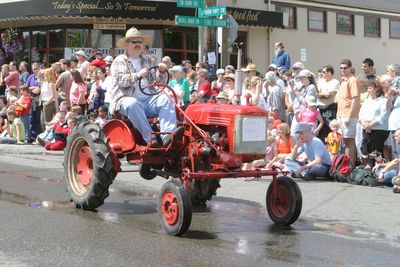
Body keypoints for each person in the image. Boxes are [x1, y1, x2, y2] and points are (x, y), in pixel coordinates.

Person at [109, 27, 174, 146]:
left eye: (140, 42)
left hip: (148, 99)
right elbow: (119, 80)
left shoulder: (147, 60)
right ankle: (150, 138)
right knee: (133, 103)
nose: (138, 44)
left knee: (166, 98)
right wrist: (137, 75)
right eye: (134, 42)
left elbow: (158, 82)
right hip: (124, 99)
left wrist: (162, 71)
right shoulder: (119, 61)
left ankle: (168, 135)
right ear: (127, 44)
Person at [358, 80, 389, 165]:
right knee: (366, 150)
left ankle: (380, 167)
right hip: (366, 128)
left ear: (377, 89)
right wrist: (364, 124)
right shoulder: (367, 100)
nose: (368, 89)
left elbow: (383, 116)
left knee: (375, 151)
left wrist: (370, 125)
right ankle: (371, 168)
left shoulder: (383, 101)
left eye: (370, 88)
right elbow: (361, 114)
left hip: (379, 130)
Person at [336, 59, 360, 168]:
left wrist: (349, 116)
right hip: (341, 114)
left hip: (349, 115)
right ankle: (346, 165)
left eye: (345, 68)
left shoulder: (352, 80)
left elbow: (355, 99)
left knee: (350, 141)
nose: (343, 70)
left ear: (350, 68)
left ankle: (351, 165)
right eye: (341, 68)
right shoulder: (343, 80)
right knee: (345, 141)